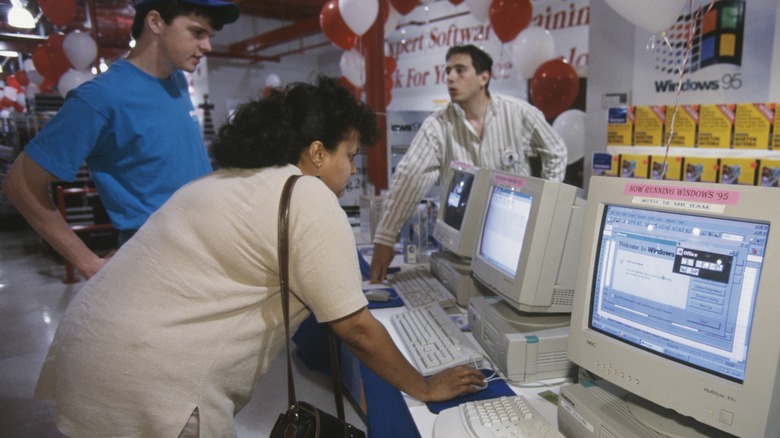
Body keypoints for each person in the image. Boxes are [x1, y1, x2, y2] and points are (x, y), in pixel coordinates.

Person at [33, 76, 486, 437]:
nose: (351, 171)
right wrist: (425, 385)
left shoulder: (226, 181)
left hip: (91, 355)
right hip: (150, 386)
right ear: (315, 153)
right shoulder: (306, 194)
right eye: (349, 155)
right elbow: (355, 329)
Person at [1, 0, 239, 280]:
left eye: (210, 36)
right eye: (198, 33)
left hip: (203, 242)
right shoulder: (100, 97)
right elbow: (20, 184)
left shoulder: (175, 81)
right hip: (159, 256)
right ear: (155, 22)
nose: (207, 46)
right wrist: (88, 262)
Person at [370, 44, 569, 282]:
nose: (450, 78)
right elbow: (410, 176)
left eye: (460, 70)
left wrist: (543, 209)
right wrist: (385, 237)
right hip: (461, 249)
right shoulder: (438, 126)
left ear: (484, 77)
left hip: (512, 243)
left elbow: (556, 151)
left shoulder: (517, 113)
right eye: (448, 71)